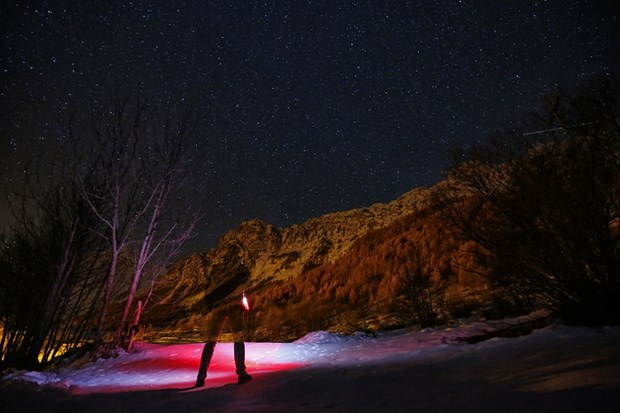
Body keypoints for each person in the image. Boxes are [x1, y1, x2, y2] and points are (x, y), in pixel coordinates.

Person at [195, 291, 252, 387]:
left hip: (218, 304)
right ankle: (241, 374)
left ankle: (201, 377)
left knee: (211, 341)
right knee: (238, 339)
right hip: (234, 305)